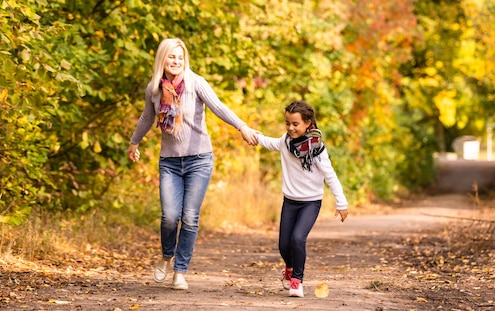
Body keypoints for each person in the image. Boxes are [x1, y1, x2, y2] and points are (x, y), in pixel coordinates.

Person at [127, 38, 259, 290]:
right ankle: (167, 256)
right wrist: (134, 142)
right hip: (169, 163)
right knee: (169, 217)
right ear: (162, 59)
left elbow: (218, 107)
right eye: (171, 57)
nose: (176, 61)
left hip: (199, 159)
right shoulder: (154, 88)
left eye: (180, 57)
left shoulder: (196, 83)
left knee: (189, 217)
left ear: (184, 59)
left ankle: (180, 271)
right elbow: (147, 116)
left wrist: (241, 126)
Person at [256, 100, 349, 297]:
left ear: (308, 123)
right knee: (283, 245)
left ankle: (297, 280)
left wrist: (341, 202)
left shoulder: (317, 148)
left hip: (310, 202)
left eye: (295, 124)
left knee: (298, 239)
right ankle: (289, 268)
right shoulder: (285, 141)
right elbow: (269, 142)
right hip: (289, 201)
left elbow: (330, 175)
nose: (290, 128)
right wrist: (252, 134)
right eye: (287, 123)